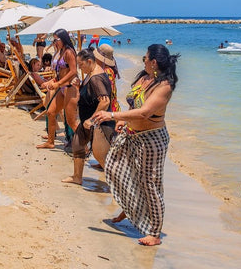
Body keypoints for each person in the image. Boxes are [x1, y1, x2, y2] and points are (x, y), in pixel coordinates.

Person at [92, 44, 180, 246]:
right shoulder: (144, 77)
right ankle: (132, 207)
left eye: (145, 58)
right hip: (132, 134)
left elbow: (144, 113)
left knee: (150, 183)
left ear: (154, 62)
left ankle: (155, 233)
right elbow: (134, 102)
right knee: (117, 168)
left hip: (151, 139)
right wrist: (123, 120)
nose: (143, 61)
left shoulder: (164, 86)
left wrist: (112, 115)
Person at [62, 48, 115, 185]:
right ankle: (77, 177)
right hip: (88, 121)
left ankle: (118, 185)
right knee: (78, 144)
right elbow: (91, 96)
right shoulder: (90, 73)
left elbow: (105, 101)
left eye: (81, 65)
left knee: (102, 157)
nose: (79, 68)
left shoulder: (96, 78)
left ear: (89, 61)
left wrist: (92, 120)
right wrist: (80, 86)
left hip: (99, 124)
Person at [37, 28, 79, 149]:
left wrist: (58, 83)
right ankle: (50, 142)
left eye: (56, 39)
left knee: (71, 121)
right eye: (54, 39)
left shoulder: (69, 52)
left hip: (70, 88)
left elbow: (73, 71)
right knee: (50, 112)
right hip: (62, 87)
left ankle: (85, 147)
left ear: (63, 39)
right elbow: (60, 72)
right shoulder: (61, 52)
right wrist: (52, 81)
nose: (54, 42)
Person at [93, 43, 120, 112]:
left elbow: (106, 97)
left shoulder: (106, 72)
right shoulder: (108, 70)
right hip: (112, 108)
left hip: (109, 111)